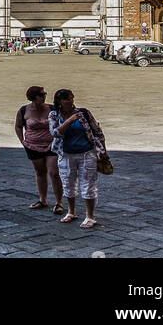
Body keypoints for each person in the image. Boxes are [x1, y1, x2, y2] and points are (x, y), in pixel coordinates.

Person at [48, 89, 107, 228]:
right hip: (65, 154)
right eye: (67, 99)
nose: (71, 101)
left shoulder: (83, 113)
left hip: (87, 153)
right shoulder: (54, 115)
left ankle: (90, 216)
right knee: (67, 183)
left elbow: (97, 131)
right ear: (60, 101)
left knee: (88, 185)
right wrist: (69, 121)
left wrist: (103, 150)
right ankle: (71, 212)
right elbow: (55, 133)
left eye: (72, 98)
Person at [15, 86, 64, 214]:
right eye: (42, 94)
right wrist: (22, 141)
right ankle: (43, 199)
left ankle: (59, 203)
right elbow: (18, 126)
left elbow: (62, 123)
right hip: (32, 145)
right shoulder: (24, 110)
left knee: (54, 172)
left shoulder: (52, 109)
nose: (45, 96)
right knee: (40, 172)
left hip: (52, 144)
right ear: (34, 97)